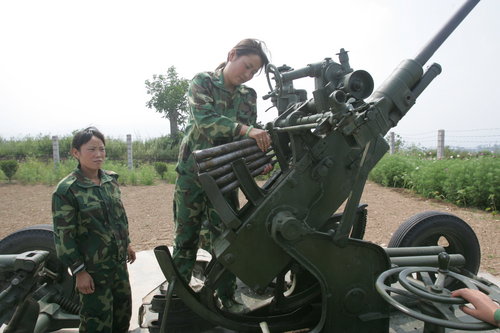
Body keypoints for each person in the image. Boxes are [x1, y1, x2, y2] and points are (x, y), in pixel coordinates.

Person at [172, 38, 272, 312]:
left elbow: (249, 138)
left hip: (226, 177)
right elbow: (204, 121)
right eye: (247, 65)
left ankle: (227, 297)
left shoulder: (248, 96)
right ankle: (179, 295)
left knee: (228, 239)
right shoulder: (202, 82)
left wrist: (258, 162)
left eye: (253, 72)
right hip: (193, 173)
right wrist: (246, 130)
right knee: (186, 236)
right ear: (232, 55)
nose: (248, 74)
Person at [52, 127, 136, 332]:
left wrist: (127, 244)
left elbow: (119, 218)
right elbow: (64, 236)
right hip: (93, 272)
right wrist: (79, 271)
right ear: (75, 153)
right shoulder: (67, 190)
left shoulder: (110, 181)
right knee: (96, 323)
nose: (98, 155)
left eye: (102, 149)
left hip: (117, 267)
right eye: (91, 149)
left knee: (122, 318)